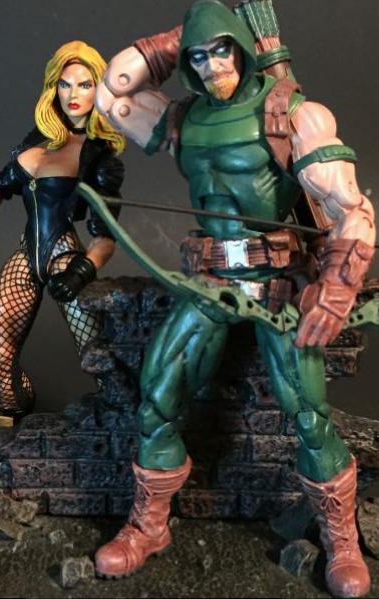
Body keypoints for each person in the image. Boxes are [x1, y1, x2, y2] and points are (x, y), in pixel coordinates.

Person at [92, 2, 376, 597]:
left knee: (309, 414)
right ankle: (149, 525)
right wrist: (179, 37)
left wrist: (336, 288)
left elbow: (354, 209)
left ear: (244, 49)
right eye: (198, 56)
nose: (212, 65)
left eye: (222, 49)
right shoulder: (183, 119)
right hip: (213, 284)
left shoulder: (292, 115)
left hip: (279, 286)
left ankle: (340, 537)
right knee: (157, 396)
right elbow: (111, 90)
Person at [0, 41, 125, 427]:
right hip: (27, 255)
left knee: (97, 354)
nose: (73, 94)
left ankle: (123, 424)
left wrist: (82, 272)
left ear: (99, 88)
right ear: (54, 87)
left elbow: (106, 236)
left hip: (65, 257)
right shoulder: (38, 141)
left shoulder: (100, 157)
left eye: (84, 84)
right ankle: (11, 420)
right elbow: (2, 182)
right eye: (65, 84)